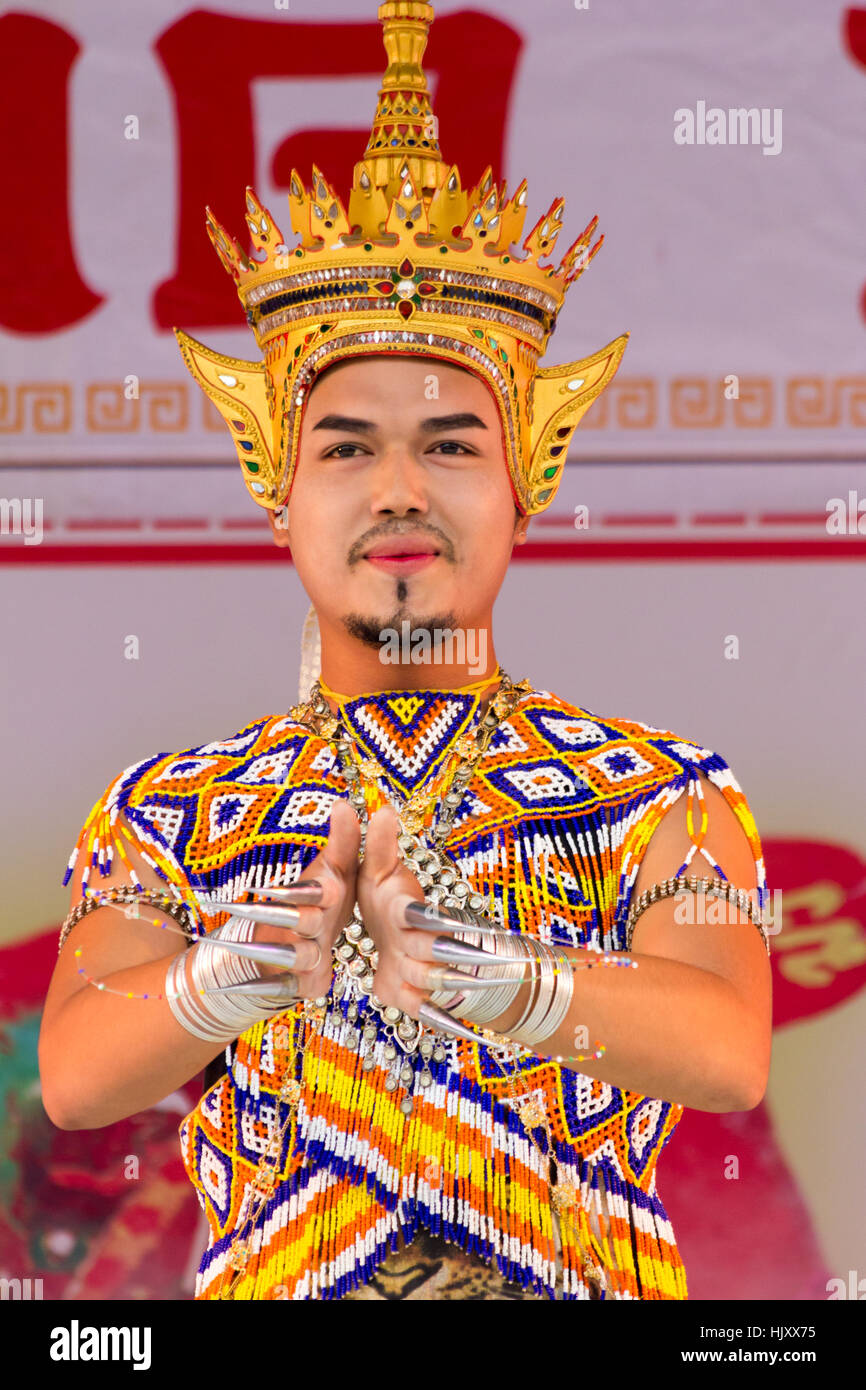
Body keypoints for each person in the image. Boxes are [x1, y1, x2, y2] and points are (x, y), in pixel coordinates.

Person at [39, 0, 772, 1301]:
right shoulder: (166, 810)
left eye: (447, 445)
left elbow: (723, 1046)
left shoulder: (664, 791)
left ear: (525, 480)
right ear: (276, 482)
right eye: (346, 445)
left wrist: (520, 985)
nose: (396, 489)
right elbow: (79, 1071)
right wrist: (218, 982)